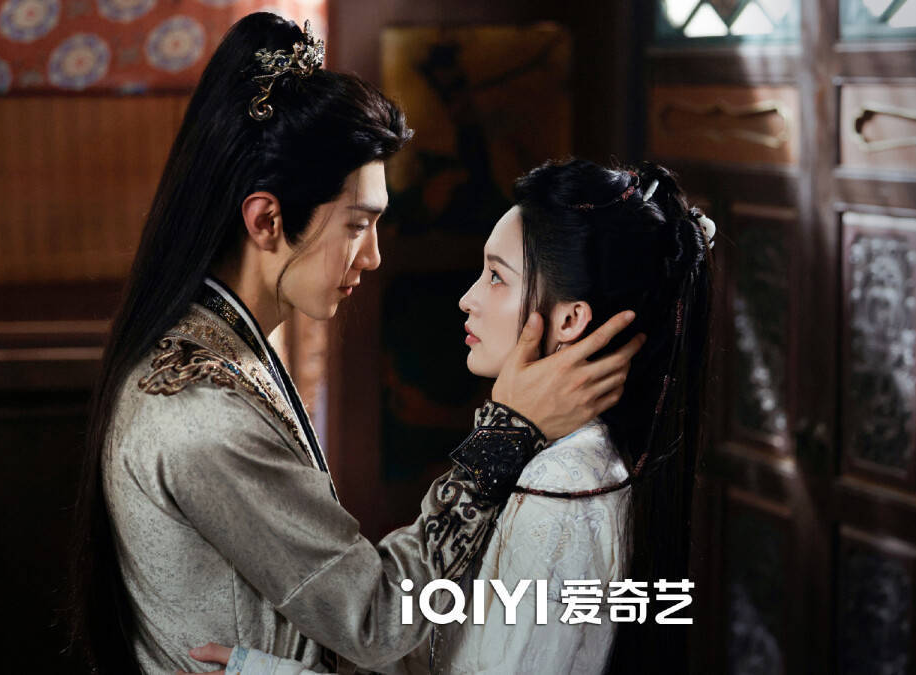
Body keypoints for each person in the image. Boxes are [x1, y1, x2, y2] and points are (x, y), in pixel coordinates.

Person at [67, 14, 643, 675]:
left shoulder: (224, 350)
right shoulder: (202, 410)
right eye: (357, 225)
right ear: (267, 219)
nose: (372, 256)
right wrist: (505, 434)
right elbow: (375, 618)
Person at [187, 158, 714, 674]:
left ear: (570, 319)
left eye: (497, 277)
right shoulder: (542, 456)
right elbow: (430, 648)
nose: (467, 299)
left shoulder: (565, 480)